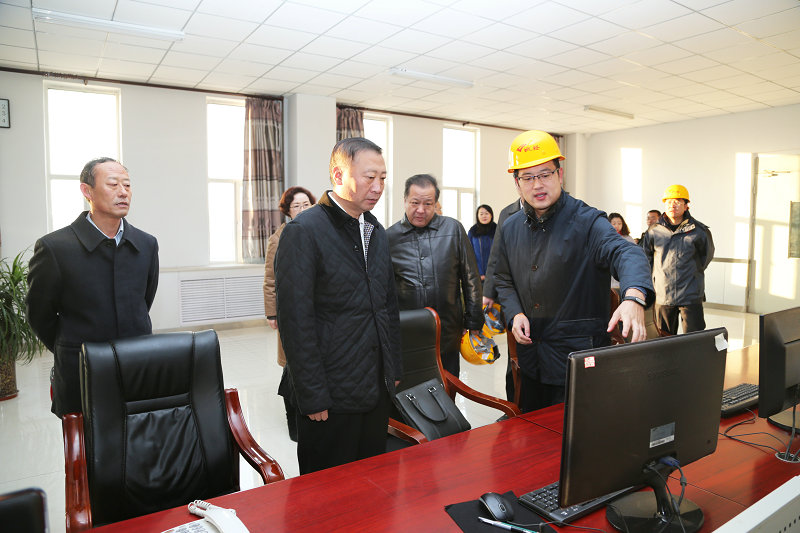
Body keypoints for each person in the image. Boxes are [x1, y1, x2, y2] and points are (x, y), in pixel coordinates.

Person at [493, 130, 654, 413]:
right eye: (527, 177)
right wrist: (515, 312)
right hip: (531, 361)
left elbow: (625, 252)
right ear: (517, 184)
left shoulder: (587, 221)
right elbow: (503, 278)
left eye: (545, 174)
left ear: (560, 174)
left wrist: (634, 296)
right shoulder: (510, 227)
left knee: (575, 437)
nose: (537, 184)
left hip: (577, 363)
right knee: (532, 433)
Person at [274, 137, 402, 475]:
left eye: (383, 178)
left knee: (373, 482)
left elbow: (387, 306)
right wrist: (312, 395)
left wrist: (393, 370)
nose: (378, 187)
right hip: (330, 395)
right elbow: (295, 322)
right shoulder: (304, 231)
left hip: (374, 386)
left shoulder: (374, 230)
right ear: (338, 175)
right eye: (370, 177)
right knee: (329, 491)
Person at [26, 157, 159, 417]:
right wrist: (71, 346)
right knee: (85, 438)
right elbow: (39, 315)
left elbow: (144, 300)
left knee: (139, 433)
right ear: (87, 191)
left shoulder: (146, 244)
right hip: (80, 371)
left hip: (137, 366)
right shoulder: (55, 248)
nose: (123, 192)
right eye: (113, 184)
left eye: (127, 185)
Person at [387, 174, 483, 378]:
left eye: (428, 204)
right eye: (415, 203)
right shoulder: (389, 237)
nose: (421, 210)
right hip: (408, 333)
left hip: (448, 330)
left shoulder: (453, 229)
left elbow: (471, 278)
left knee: (448, 384)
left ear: (436, 203)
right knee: (412, 389)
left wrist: (474, 322)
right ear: (405, 200)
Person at [263, 186, 316, 443]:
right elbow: (270, 280)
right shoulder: (278, 238)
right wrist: (272, 313)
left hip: (315, 312)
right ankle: (293, 421)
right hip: (290, 313)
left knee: (307, 365)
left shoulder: (317, 232)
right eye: (297, 206)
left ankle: (307, 416)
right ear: (288, 211)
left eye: (307, 205)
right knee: (292, 367)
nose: (303, 210)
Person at [640, 185, 714, 335]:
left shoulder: (699, 230)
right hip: (663, 293)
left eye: (677, 201)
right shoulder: (654, 231)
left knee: (694, 338)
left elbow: (705, 257)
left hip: (691, 293)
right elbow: (646, 258)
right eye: (669, 202)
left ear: (686, 205)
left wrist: (691, 274)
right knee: (664, 338)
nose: (672, 205)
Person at [467, 204, 497, 281]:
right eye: (481, 214)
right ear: (477, 216)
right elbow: (469, 254)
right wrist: (479, 273)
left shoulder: (497, 230)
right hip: (478, 276)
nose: (484, 216)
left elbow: (501, 253)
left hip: (495, 275)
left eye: (486, 213)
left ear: (491, 215)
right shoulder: (472, 231)